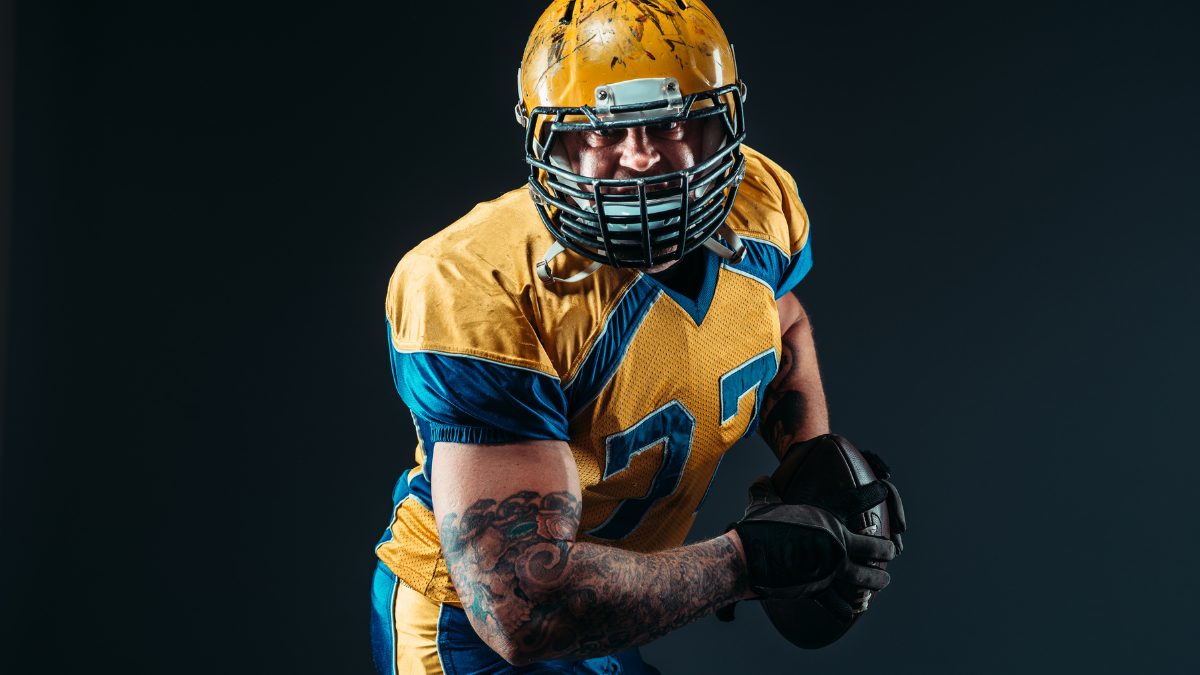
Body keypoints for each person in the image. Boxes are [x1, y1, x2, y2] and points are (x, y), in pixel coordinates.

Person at [370, 2, 896, 673]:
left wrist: (816, 471)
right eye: (600, 134)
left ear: (717, 124)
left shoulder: (760, 209)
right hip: (472, 627)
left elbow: (780, 322)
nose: (642, 157)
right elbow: (522, 607)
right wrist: (748, 559)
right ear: (550, 142)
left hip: (609, 608)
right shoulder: (478, 283)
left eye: (671, 123)